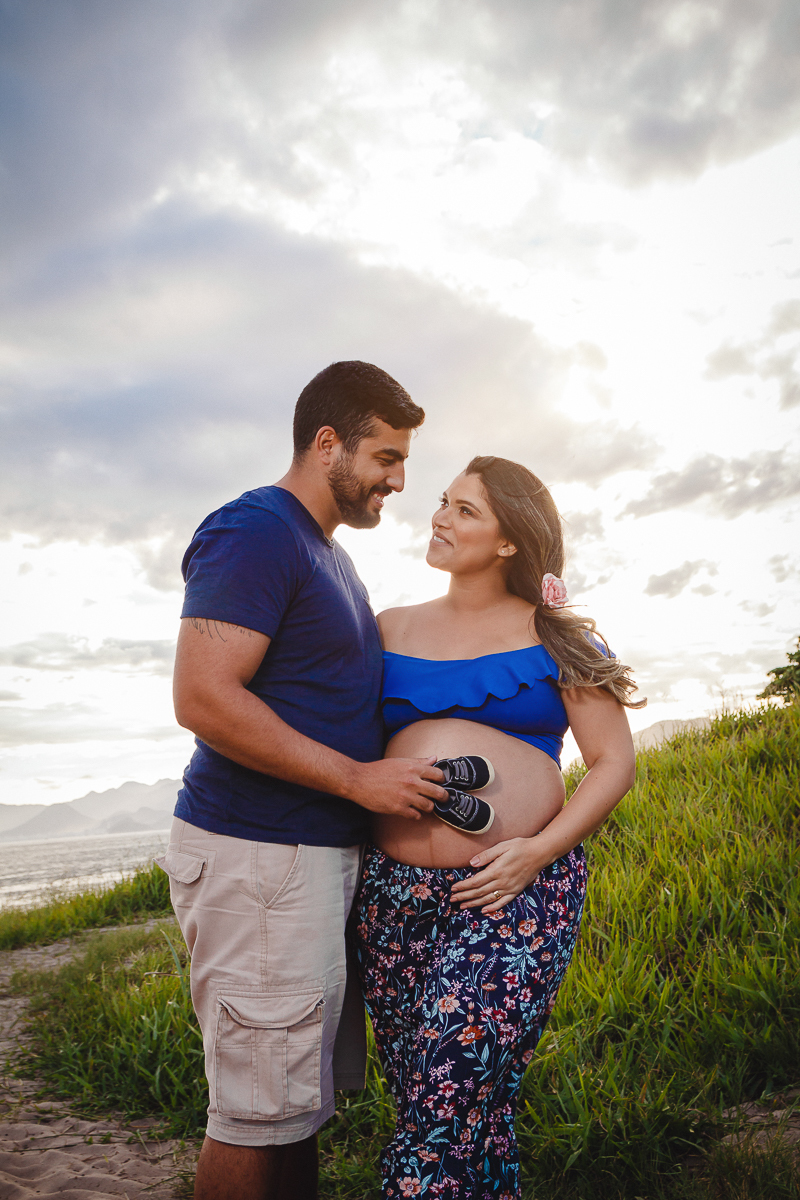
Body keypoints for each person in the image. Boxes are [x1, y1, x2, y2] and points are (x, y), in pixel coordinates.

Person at [157, 361, 449, 1200]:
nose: (398, 481)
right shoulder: (256, 530)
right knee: (253, 1117)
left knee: (293, 1111)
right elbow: (202, 696)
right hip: (259, 861)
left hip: (302, 864)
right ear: (329, 443)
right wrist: (359, 780)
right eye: (387, 458)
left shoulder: (327, 554)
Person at [354, 455, 644, 1200]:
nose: (440, 517)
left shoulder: (559, 638)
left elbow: (612, 762)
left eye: (465, 510)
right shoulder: (385, 629)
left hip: (515, 893)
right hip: (393, 899)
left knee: (443, 1097)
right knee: (445, 1099)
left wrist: (536, 852)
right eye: (444, 502)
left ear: (511, 540)